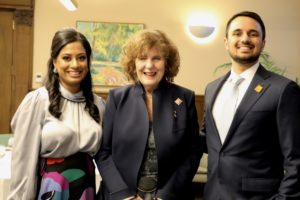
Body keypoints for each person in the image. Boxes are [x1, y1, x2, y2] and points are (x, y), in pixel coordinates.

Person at [200, 11, 300, 199]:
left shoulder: (283, 90)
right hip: (213, 194)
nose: (245, 39)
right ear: (226, 42)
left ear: (263, 43)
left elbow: (296, 158)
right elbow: (207, 139)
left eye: (253, 34)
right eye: (237, 33)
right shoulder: (211, 89)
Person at [95, 29, 201, 200]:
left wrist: (166, 195)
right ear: (133, 63)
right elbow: (103, 152)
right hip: (121, 195)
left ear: (167, 63)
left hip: (170, 195)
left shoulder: (185, 98)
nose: (149, 65)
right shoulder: (117, 98)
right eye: (142, 58)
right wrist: (125, 195)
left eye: (156, 58)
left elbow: (193, 152)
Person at [8, 27, 105, 199]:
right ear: (54, 62)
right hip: (52, 188)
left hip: (86, 189)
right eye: (66, 58)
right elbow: (23, 162)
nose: (75, 64)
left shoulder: (99, 105)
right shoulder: (37, 101)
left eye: (81, 58)